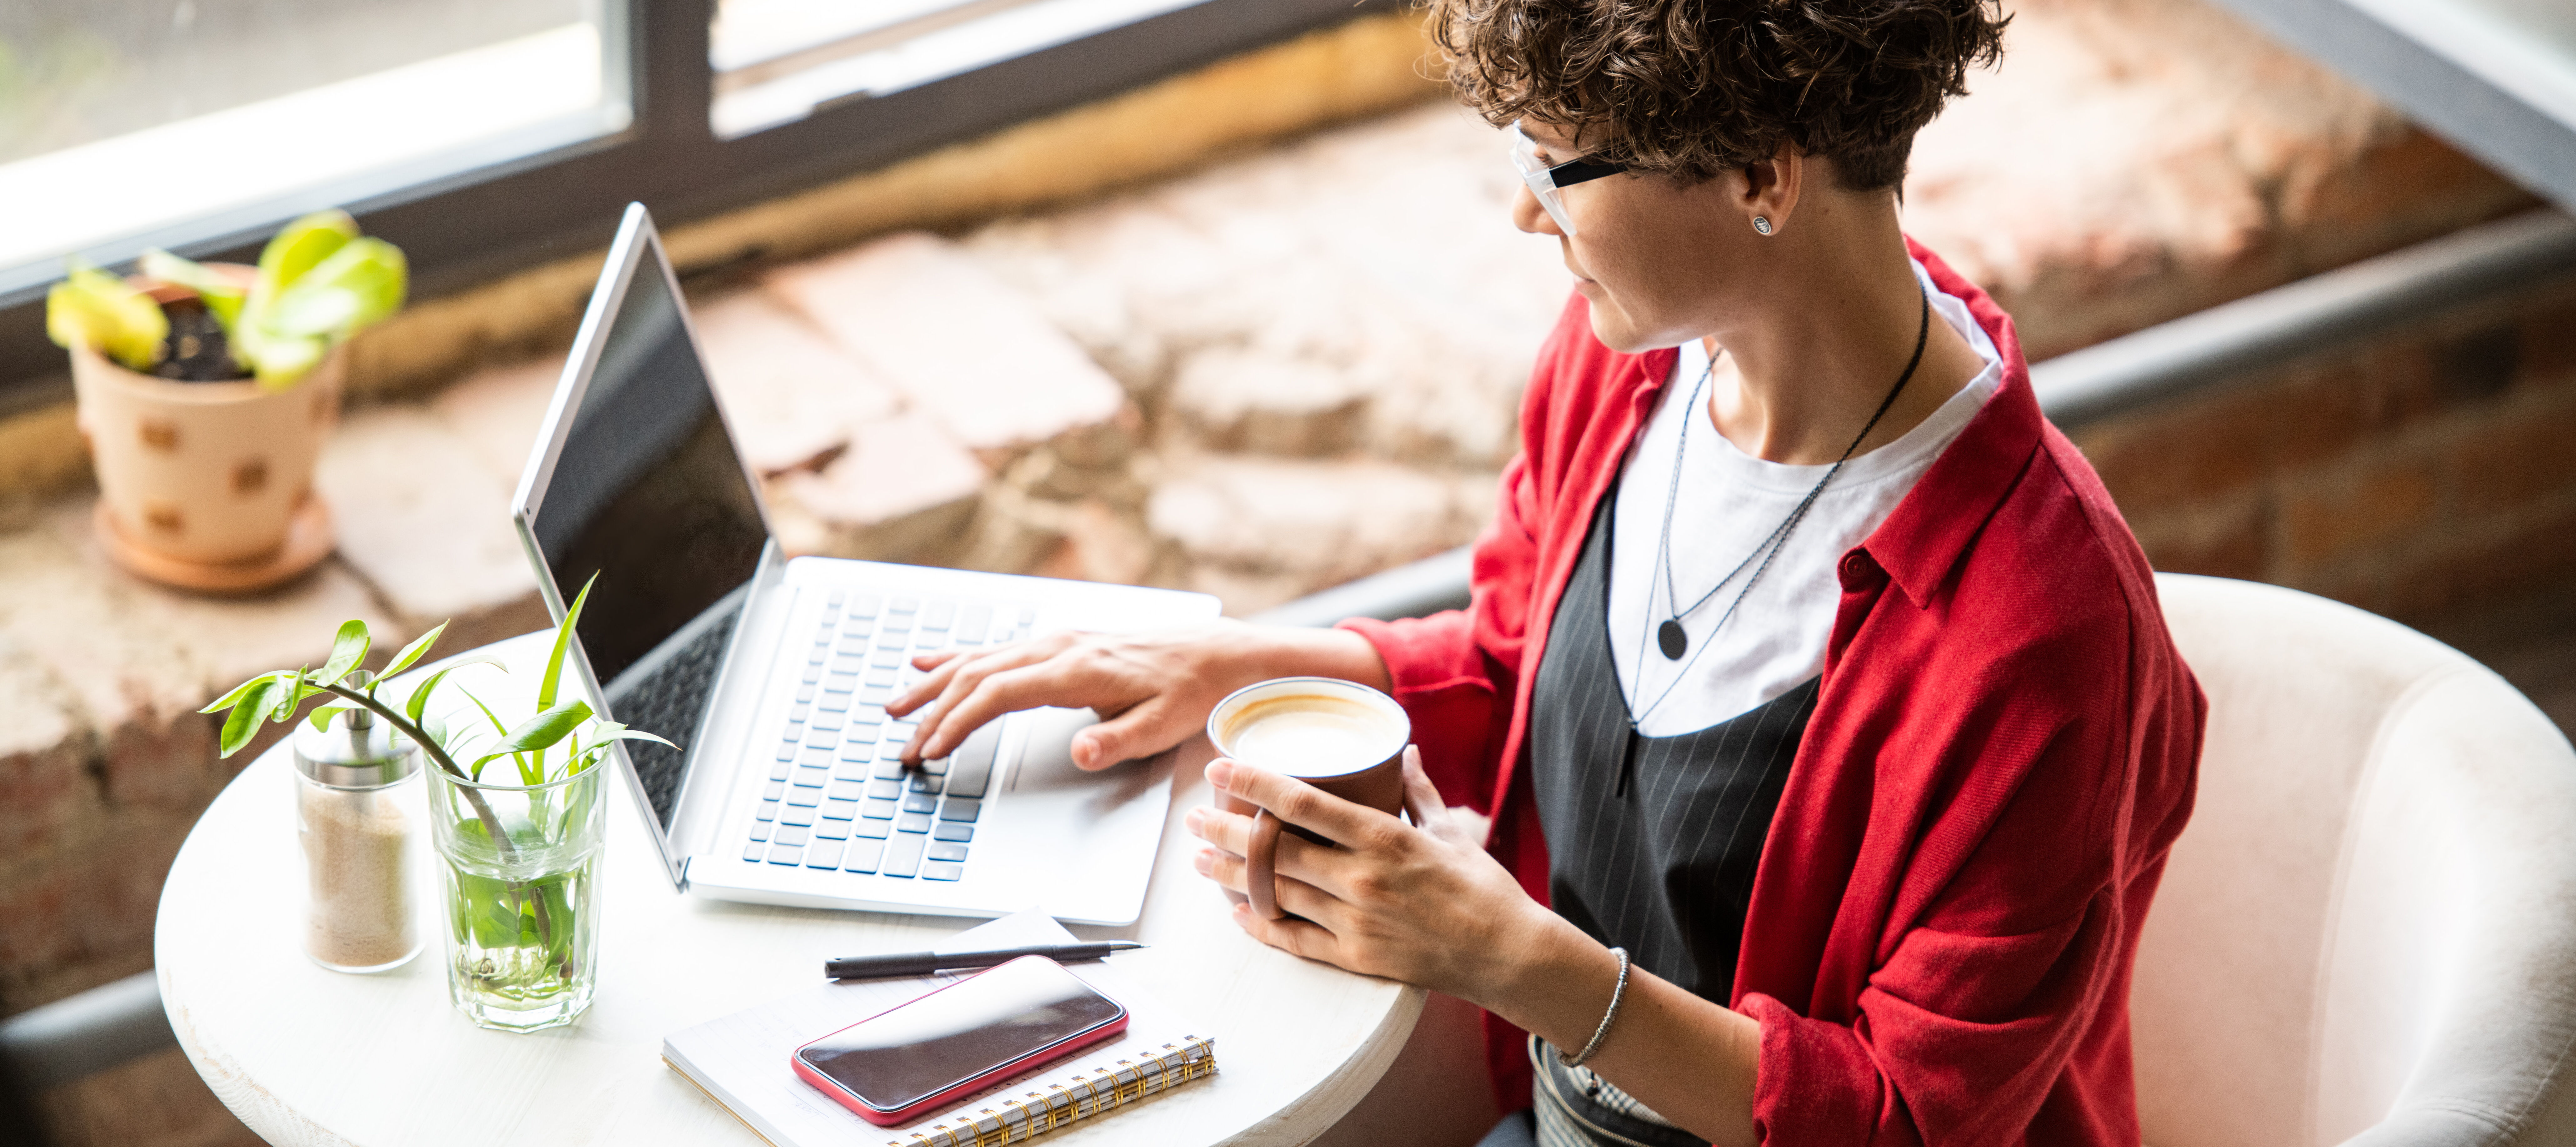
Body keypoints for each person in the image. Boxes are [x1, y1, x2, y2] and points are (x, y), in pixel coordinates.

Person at [888, 0, 2204, 1142]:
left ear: (1760, 173)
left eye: (1555, 160)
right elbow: (1520, 657)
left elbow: (1908, 1118)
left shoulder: (2047, 637)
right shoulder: (1631, 360)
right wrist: (1232, 661)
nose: (1525, 210)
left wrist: (1512, 958)